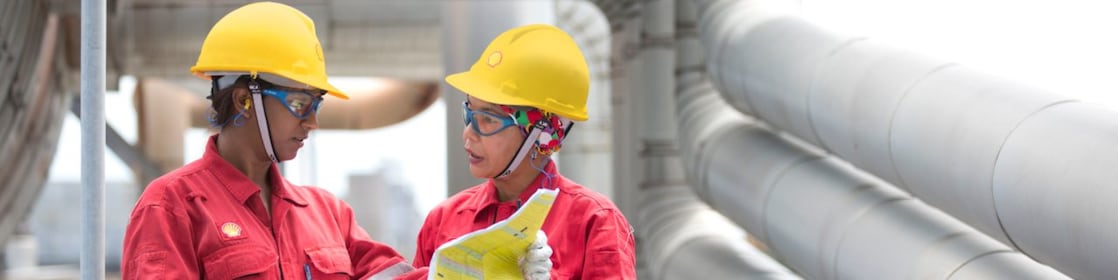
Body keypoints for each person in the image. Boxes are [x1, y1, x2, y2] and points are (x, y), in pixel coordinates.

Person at [120, 2, 431, 279]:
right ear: (244, 100)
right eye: (299, 104)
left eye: (316, 104)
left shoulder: (328, 213)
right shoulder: (171, 206)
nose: (312, 122)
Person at [413, 24, 638, 279]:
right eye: (469, 113)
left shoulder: (594, 222)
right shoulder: (443, 222)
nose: (469, 133)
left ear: (543, 134)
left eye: (488, 119)